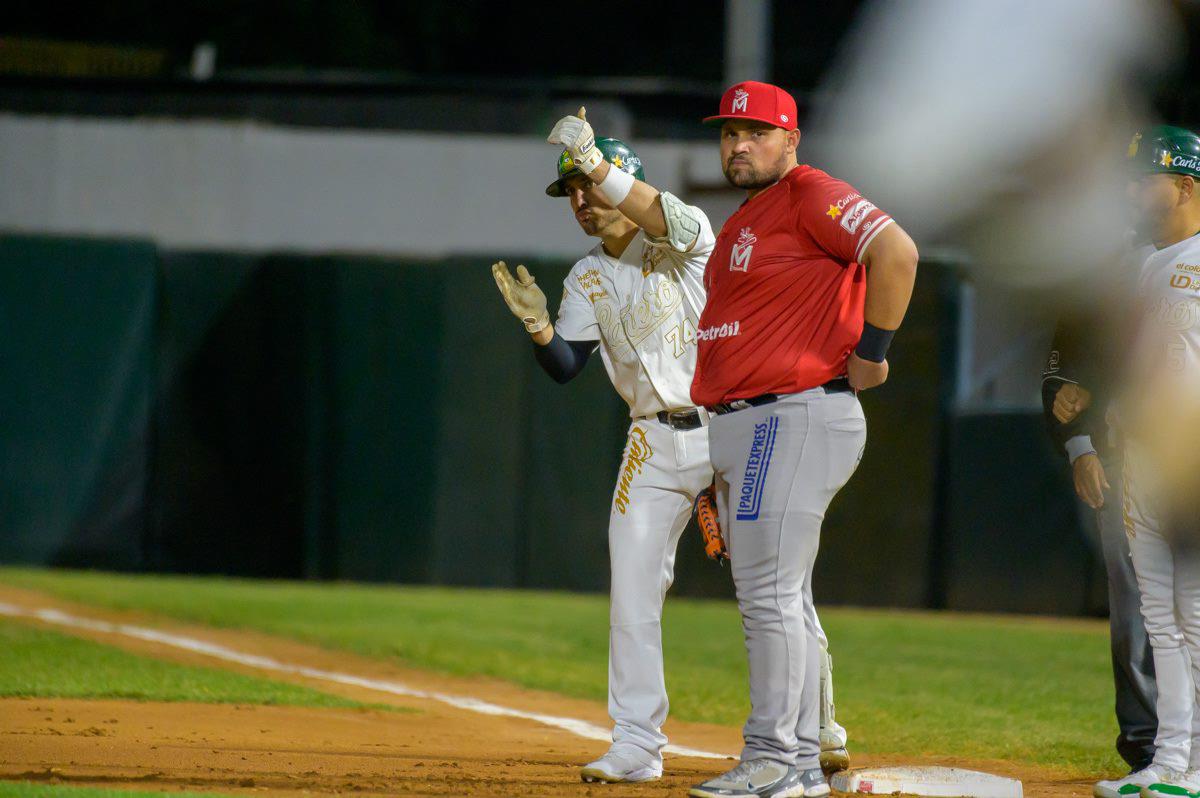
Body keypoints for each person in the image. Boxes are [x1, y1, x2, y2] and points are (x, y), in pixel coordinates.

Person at [684, 81, 919, 798]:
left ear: (791, 140)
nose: (739, 144)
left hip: (793, 413)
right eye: (729, 133)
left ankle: (777, 763)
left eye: (756, 132)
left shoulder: (811, 193)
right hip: (750, 423)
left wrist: (873, 350)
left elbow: (897, 251)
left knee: (769, 594)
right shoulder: (746, 223)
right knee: (780, 594)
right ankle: (802, 754)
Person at [492, 118, 715, 784]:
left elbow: (658, 214)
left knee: (774, 586)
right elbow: (566, 367)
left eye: (587, 185)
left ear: (622, 178)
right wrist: (537, 329)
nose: (581, 202)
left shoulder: (683, 237)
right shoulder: (587, 276)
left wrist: (599, 165)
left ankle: (815, 728)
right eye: (571, 193)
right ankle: (637, 745)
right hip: (648, 440)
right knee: (632, 593)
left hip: (726, 427)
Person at [1093, 125, 1200, 798]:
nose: (1132, 189)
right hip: (1140, 461)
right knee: (1160, 619)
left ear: (1186, 185)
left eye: (1145, 178)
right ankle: (1170, 762)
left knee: (1196, 615)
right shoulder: (1134, 263)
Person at [1042, 261, 1158, 776]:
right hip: (1121, 456)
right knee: (1136, 605)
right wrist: (1080, 445)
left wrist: (1099, 384)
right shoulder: (1099, 263)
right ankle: (1149, 746)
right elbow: (1059, 379)